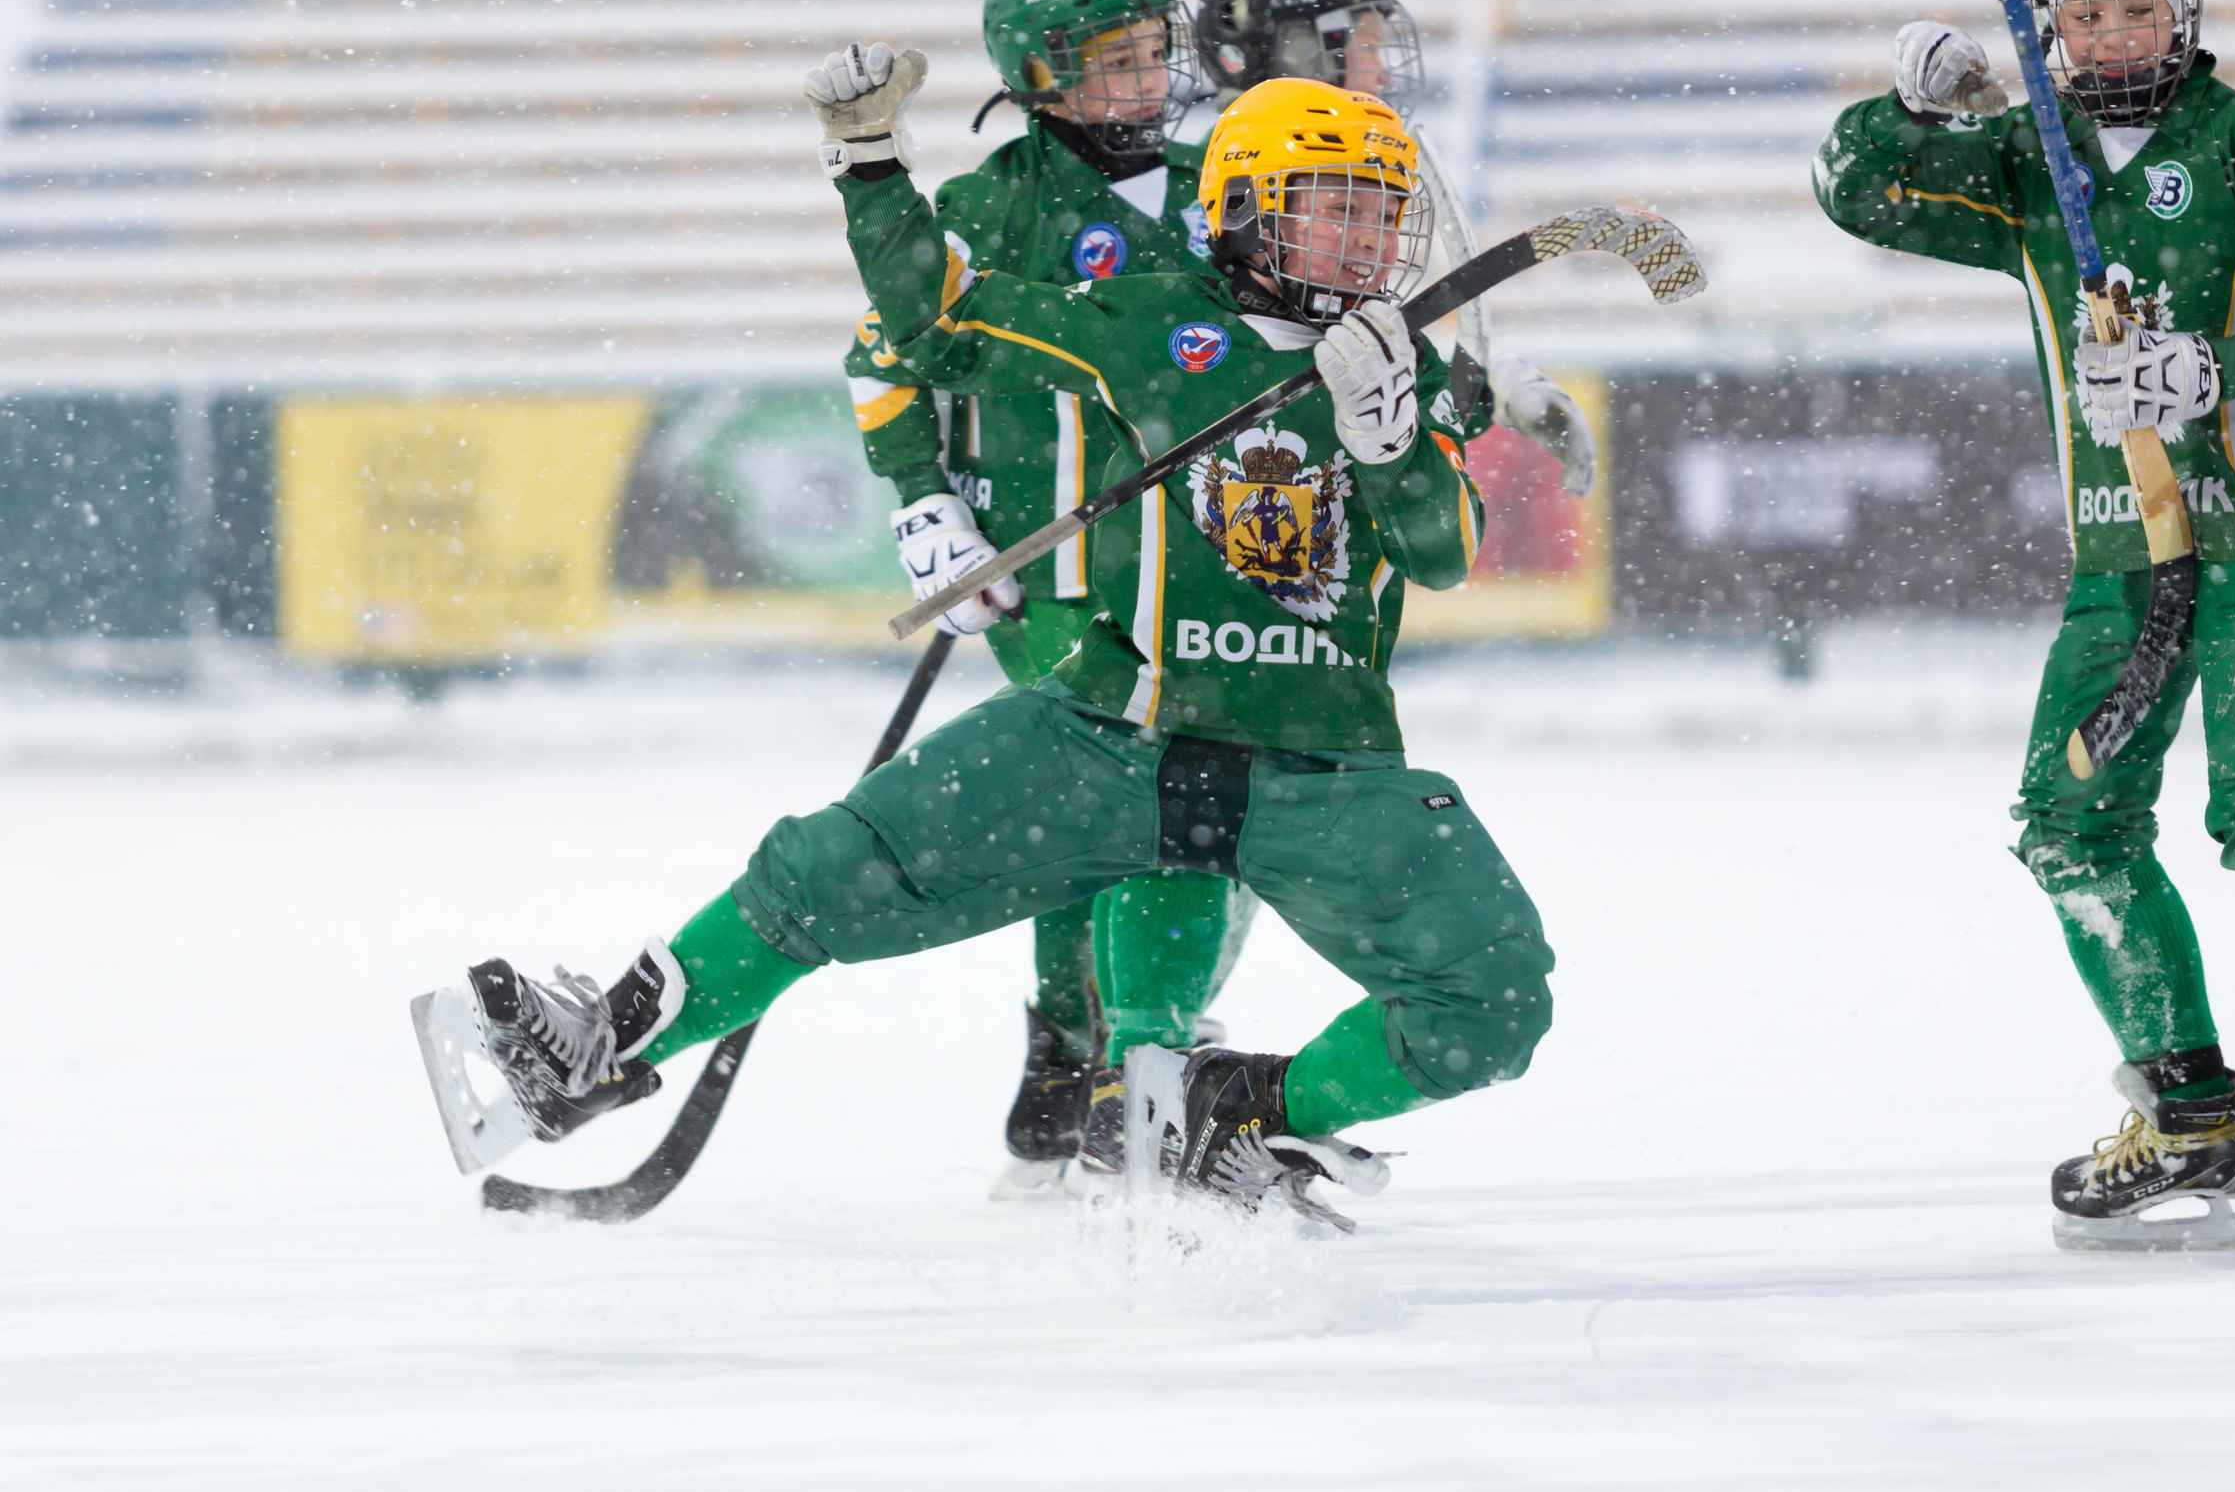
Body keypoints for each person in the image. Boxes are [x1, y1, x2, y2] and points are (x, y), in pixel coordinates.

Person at [413, 65, 1551, 1234]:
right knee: (813, 873)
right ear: (1250, 208)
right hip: (1113, 731)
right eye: (1336, 203)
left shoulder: (1411, 372)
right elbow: (932, 318)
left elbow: (1440, 550)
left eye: (1379, 210)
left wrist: (1394, 439)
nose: (1366, 238)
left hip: (1323, 767)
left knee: (1494, 1002)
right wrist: (868, 165)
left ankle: (1237, 1114)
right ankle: (598, 1047)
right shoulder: (1153, 320)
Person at [1814, 0, 2235, 1250]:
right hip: (2119, 554)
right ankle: (2193, 1112)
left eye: (2134, 7)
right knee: (2068, 824)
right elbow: (1855, 190)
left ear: (2185, 3)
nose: (2109, 38)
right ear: (2043, 23)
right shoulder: (2025, 158)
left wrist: (2209, 371)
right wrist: (1908, 104)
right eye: (2079, 13)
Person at [844, 0, 1257, 1197]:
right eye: (1114, 64)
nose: (1146, 82)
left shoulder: (1217, 183)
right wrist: (928, 509)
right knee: (1150, 782)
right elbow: (882, 359)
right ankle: (1127, 1061)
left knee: (1128, 807)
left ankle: (1075, 1063)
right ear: (1038, 76)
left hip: (1192, 564)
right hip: (1055, 573)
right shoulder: (988, 209)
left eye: (1154, 54)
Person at [1194, 0, 1598, 497]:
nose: (1382, 75)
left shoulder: (1361, 182)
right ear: (1297, 52)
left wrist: (1489, 386)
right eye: (1365, 47)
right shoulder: (1207, 195)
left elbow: (1359, 360)